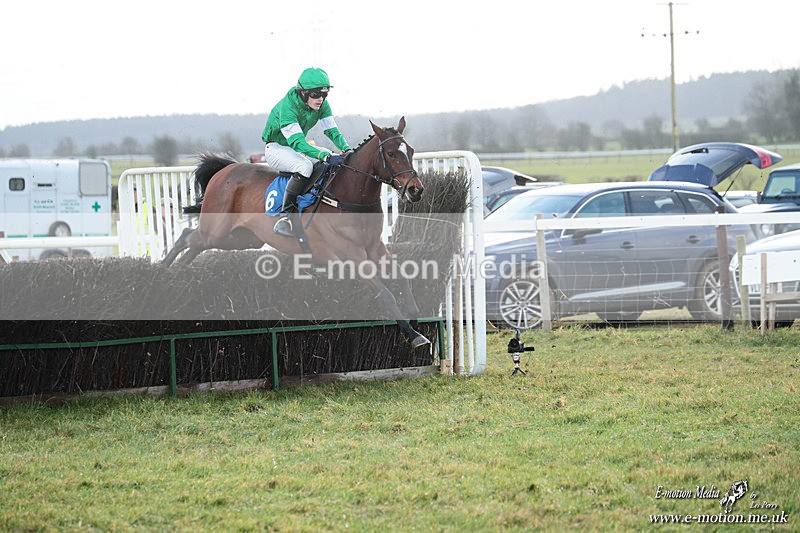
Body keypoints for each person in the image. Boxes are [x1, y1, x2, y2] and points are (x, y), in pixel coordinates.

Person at [262, 67, 352, 236]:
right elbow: (297, 143)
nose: (320, 99)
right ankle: (286, 217)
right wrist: (323, 156)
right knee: (305, 166)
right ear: (303, 93)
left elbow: (332, 131)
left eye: (324, 95)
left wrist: (346, 149)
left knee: (330, 155)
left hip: (294, 147)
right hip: (276, 148)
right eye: (316, 95)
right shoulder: (287, 107)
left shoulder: (322, 105)